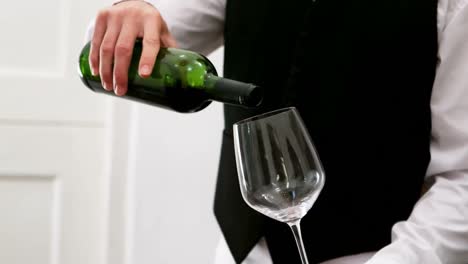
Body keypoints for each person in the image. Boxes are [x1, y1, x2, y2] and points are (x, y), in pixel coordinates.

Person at [86, 0, 468, 263]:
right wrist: (131, 12)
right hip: (243, 250)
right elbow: (123, 43)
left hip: (374, 251)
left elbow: (462, 176)